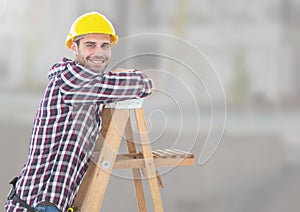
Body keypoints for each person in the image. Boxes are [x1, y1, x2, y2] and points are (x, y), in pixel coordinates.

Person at [5, 11, 153, 212]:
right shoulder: (71, 80)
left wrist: (117, 78)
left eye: (105, 45)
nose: (98, 52)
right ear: (74, 48)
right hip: (38, 205)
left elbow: (112, 85)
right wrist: (133, 78)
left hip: (49, 204)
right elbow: (143, 84)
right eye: (90, 45)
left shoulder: (89, 86)